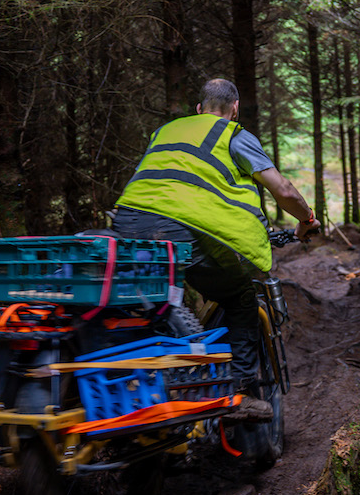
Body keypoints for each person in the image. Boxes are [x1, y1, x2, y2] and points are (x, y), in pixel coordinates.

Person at [112, 78, 321, 420]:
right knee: (239, 297)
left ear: (199, 109)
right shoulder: (232, 134)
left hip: (127, 223)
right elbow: (283, 190)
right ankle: (238, 393)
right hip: (178, 230)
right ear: (234, 108)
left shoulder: (166, 132)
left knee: (151, 304)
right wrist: (307, 219)